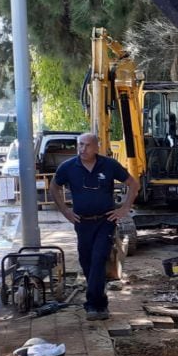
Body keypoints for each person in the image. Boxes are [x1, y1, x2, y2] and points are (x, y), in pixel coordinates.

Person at [50, 132, 139, 321]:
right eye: (80, 145)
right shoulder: (68, 167)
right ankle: (99, 298)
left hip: (105, 221)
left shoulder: (109, 165)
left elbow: (133, 184)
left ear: (97, 147)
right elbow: (54, 187)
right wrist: (66, 211)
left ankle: (95, 305)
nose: (82, 149)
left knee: (99, 259)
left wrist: (124, 208)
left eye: (87, 145)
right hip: (82, 222)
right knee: (87, 261)